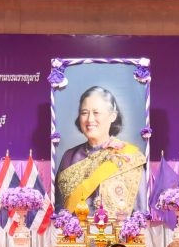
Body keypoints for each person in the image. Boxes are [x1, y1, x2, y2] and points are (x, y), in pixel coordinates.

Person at [55, 85, 147, 215]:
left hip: (117, 228)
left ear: (112, 116)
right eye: (84, 113)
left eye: (96, 112)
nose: (90, 119)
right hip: (74, 228)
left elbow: (140, 213)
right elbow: (59, 209)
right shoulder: (69, 157)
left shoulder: (129, 157)